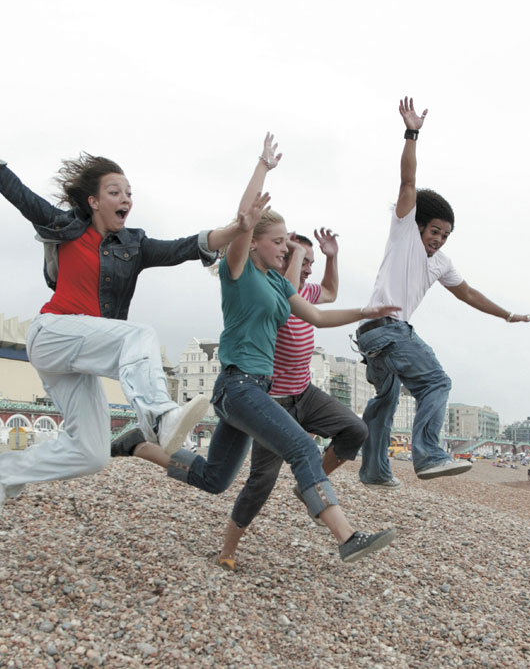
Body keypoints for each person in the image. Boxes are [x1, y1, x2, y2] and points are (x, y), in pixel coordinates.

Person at [113, 138, 398, 564]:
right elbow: (244, 222)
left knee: (214, 479)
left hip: (254, 392)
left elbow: (318, 318)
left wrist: (367, 310)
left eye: (287, 241)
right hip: (238, 386)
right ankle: (346, 535)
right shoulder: (239, 270)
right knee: (301, 448)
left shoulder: (280, 284)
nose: (286, 247)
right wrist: (262, 167)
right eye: (280, 240)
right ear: (258, 242)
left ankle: (138, 446)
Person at [0, 104, 245, 518]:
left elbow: (187, 246)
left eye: (128, 192)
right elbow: (12, 188)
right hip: (52, 333)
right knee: (138, 336)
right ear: (93, 201)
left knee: (92, 454)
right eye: (114, 191)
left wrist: (241, 226)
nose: (125, 198)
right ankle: (161, 417)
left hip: (78, 358)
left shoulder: (135, 245)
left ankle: (10, 469)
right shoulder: (64, 226)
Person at [355, 97, 530, 489]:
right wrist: (411, 133)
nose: (437, 240)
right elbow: (407, 181)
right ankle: (429, 455)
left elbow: (468, 294)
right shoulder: (403, 233)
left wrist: (508, 315)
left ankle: (374, 470)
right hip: (387, 328)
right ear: (419, 225)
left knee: (385, 403)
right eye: (434, 230)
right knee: (436, 383)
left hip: (370, 336)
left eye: (444, 235)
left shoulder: (442, 263)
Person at [214, 229, 369, 570]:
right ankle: (227, 548)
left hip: (305, 392)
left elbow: (328, 292)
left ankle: (309, 485)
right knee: (261, 483)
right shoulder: (274, 288)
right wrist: (293, 254)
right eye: (303, 260)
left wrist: (332, 257)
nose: (308, 268)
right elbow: (290, 289)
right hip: (273, 400)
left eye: (310, 262)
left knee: (355, 430)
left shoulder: (305, 289)